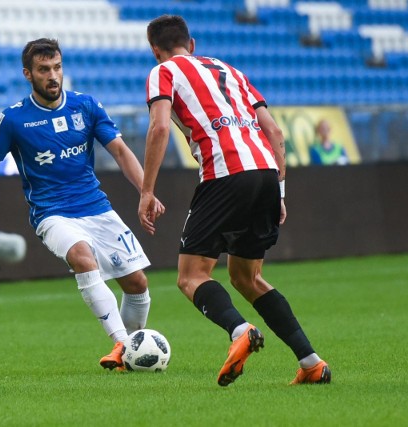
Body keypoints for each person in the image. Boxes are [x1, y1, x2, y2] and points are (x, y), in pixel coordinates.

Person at [138, 15, 331, 386]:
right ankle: (311, 362)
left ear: (155, 50)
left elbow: (160, 126)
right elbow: (274, 131)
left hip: (225, 173)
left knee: (191, 276)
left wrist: (147, 191)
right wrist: (280, 190)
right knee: (248, 277)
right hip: (264, 174)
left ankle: (239, 329)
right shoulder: (232, 71)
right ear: (191, 44)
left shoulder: (162, 72)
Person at [0, 38, 164, 371]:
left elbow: (119, 151)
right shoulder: (14, 119)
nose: (53, 76)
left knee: (138, 284)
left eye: (57, 67)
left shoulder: (86, 106)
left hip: (97, 207)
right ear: (28, 74)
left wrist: (145, 191)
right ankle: (121, 343)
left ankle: (130, 354)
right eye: (44, 69)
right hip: (52, 214)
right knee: (81, 256)